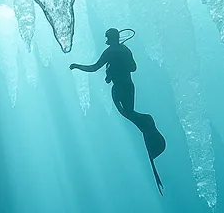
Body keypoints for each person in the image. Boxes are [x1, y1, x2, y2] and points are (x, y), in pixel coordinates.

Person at [70, 28, 167, 194]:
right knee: (130, 112)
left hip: (120, 87)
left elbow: (95, 67)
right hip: (128, 86)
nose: (106, 40)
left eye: (107, 37)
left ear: (112, 37)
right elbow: (133, 67)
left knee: (128, 113)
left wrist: (78, 66)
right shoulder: (124, 50)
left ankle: (147, 121)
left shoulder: (110, 52)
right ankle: (147, 124)